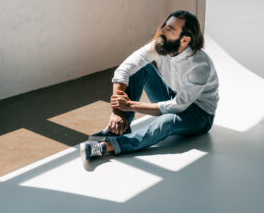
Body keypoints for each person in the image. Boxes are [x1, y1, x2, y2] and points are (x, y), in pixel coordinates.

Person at [80, 10, 219, 161]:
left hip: (200, 114)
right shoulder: (161, 46)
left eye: (170, 29)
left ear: (184, 40)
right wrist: (118, 112)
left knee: (166, 122)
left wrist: (131, 105)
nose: (162, 30)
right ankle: (119, 128)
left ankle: (107, 147)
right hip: (172, 95)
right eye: (165, 25)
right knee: (141, 68)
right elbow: (124, 69)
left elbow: (178, 106)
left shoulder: (200, 65)